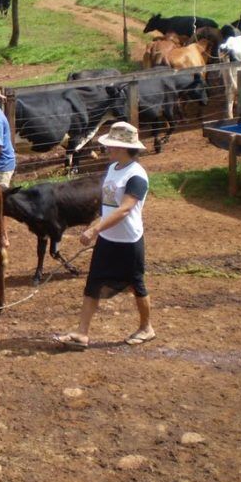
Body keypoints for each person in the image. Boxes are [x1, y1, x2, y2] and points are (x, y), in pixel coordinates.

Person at [52, 121, 155, 349]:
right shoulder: (113, 169)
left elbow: (125, 209)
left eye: (112, 145)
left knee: (136, 285)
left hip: (128, 241)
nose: (108, 149)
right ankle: (81, 333)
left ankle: (146, 327)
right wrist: (98, 226)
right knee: (93, 284)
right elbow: (108, 206)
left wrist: (95, 229)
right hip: (108, 239)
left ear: (123, 148)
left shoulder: (136, 175)